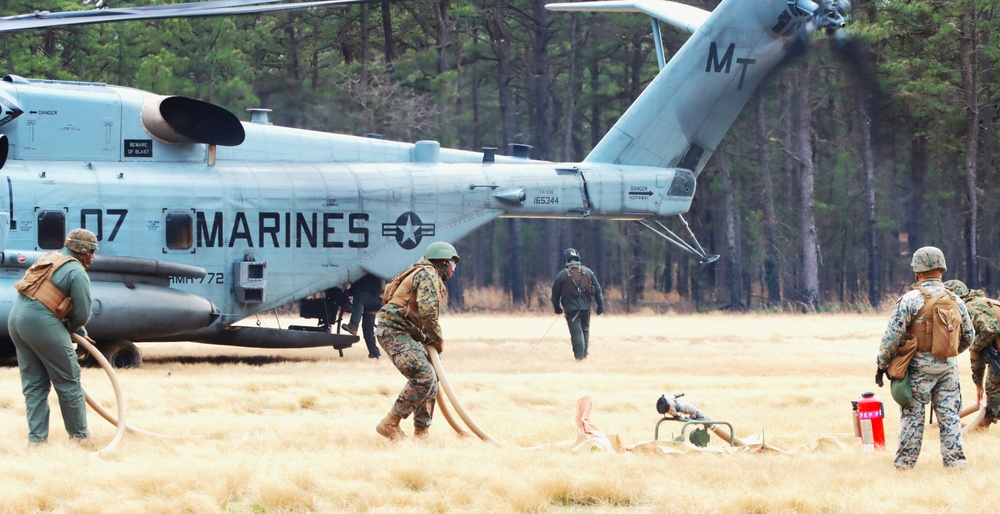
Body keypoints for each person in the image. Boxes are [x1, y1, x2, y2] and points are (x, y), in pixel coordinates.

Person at [875, 246, 974, 470]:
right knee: (950, 418)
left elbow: (891, 337)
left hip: (918, 371)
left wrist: (882, 364)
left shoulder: (909, 300)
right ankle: (956, 465)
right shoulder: (956, 300)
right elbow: (969, 336)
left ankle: (904, 466)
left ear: (917, 273)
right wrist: (947, 353)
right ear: (941, 270)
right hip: (948, 371)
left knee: (912, 418)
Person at [9, 228, 98, 445]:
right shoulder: (77, 272)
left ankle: (36, 441)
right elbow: (83, 313)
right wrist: (73, 328)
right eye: (92, 252)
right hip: (41, 323)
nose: (93, 256)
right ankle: (80, 438)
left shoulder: (50, 258)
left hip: (16, 320)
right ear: (83, 250)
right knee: (69, 380)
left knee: (34, 385)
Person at [374, 241, 459, 440]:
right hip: (395, 331)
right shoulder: (429, 274)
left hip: (403, 331)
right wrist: (436, 340)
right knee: (424, 375)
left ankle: (422, 432)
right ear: (442, 261)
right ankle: (390, 423)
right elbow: (428, 313)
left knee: (430, 377)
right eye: (452, 264)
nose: (454, 269)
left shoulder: (423, 273)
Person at [944, 279, 1000, 430]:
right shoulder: (980, 303)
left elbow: (990, 330)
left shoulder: (971, 307)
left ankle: (984, 424)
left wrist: (974, 348)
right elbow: (980, 355)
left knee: (993, 388)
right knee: (992, 386)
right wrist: (978, 384)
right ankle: (984, 423)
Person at [551, 248, 605, 360]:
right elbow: (598, 290)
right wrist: (600, 306)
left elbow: (555, 294)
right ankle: (584, 355)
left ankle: (580, 358)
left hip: (571, 310)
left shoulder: (562, 275)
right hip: (586, 308)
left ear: (566, 260)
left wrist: (557, 308)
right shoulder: (588, 272)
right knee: (585, 330)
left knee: (576, 334)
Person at [341, 273, 384, 359]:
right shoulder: (360, 275)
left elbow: (378, 288)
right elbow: (355, 289)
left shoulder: (373, 274)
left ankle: (353, 325)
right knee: (367, 328)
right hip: (369, 301)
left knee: (360, 296)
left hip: (376, 300)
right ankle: (374, 353)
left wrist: (356, 290)